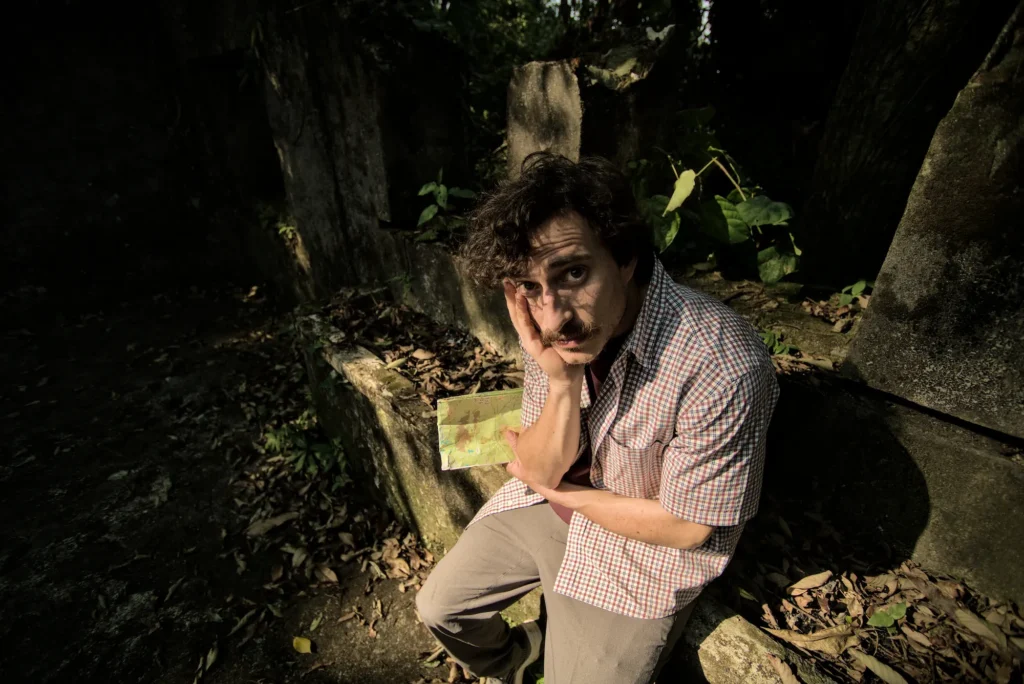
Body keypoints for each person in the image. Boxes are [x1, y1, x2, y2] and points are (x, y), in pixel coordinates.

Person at [416, 153, 779, 684]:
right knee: (441, 609)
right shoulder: (555, 331)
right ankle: (524, 661)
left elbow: (686, 526)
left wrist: (567, 496)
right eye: (532, 289)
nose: (554, 316)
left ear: (626, 258)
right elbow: (542, 467)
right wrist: (559, 379)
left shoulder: (721, 365)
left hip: (643, 552)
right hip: (550, 508)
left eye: (575, 273)